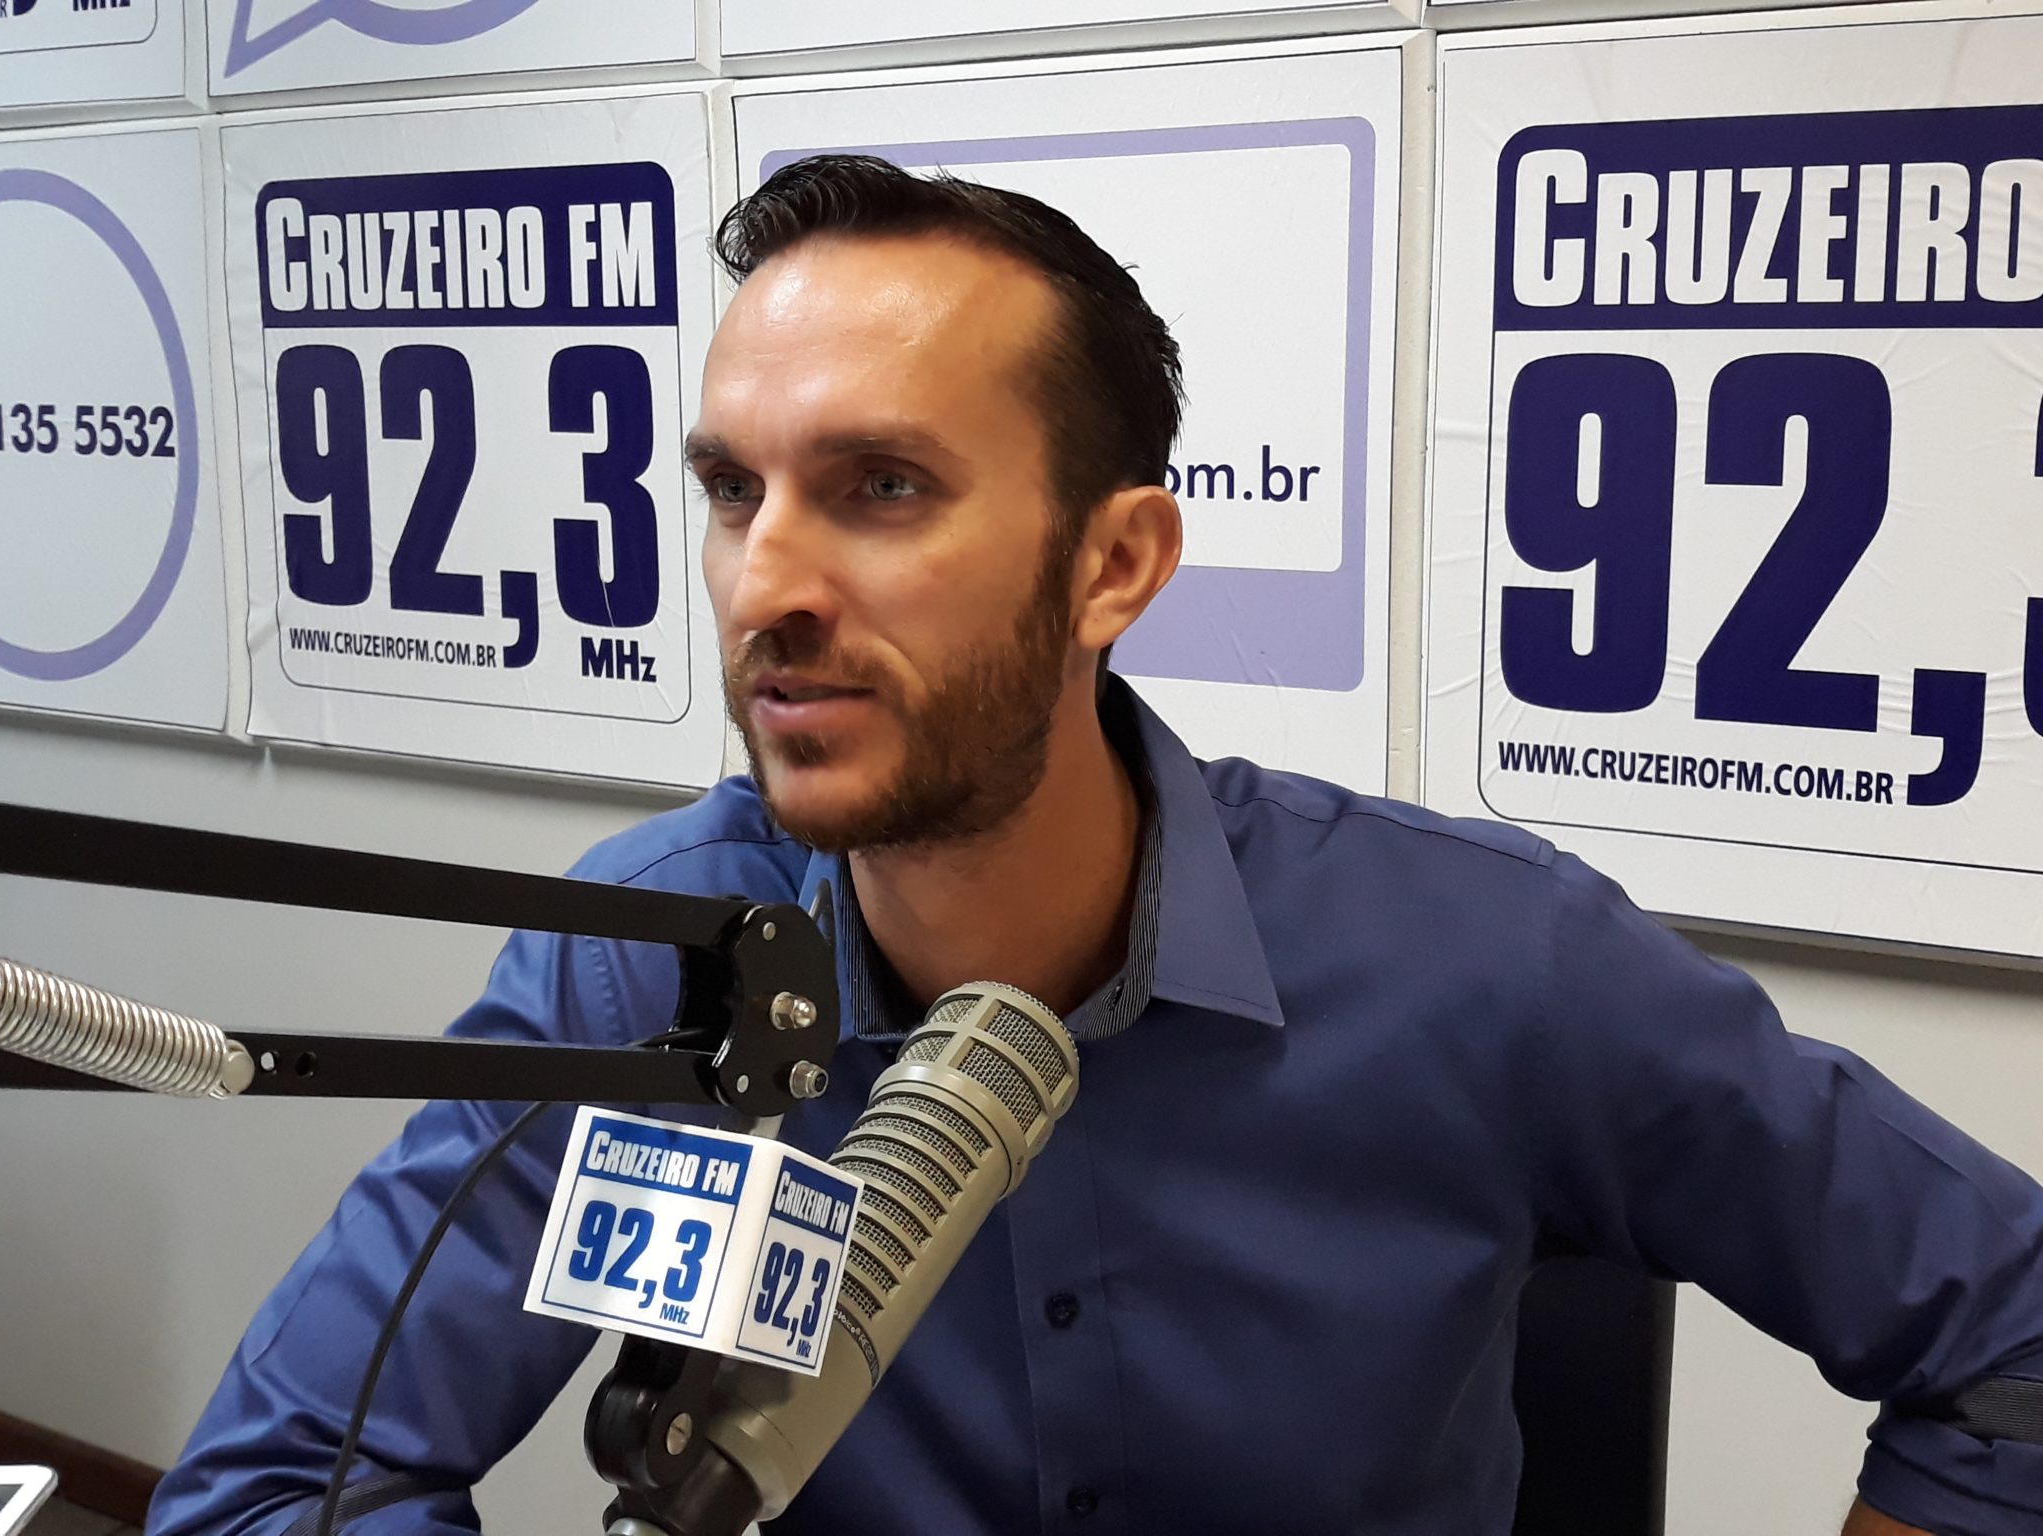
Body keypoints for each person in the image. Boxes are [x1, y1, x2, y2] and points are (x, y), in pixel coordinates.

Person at [149, 155, 2043, 1536]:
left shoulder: (1490, 963)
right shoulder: (644, 955)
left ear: (1115, 563)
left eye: (881, 487)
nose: (764, 583)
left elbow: (2014, 1341)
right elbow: (279, 1485)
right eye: (733, 488)